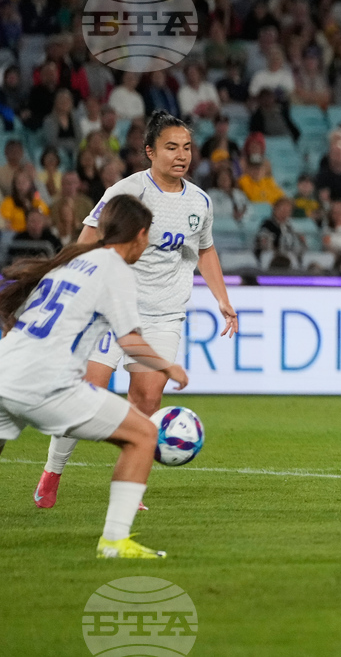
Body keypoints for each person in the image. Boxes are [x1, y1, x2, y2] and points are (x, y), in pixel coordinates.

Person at [33, 111, 238, 510]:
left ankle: (129, 485)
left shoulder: (200, 201)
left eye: (187, 148)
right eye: (171, 147)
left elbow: (206, 249)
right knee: (86, 393)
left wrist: (222, 298)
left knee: (146, 398)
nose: (182, 156)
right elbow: (89, 235)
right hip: (111, 308)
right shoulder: (125, 193)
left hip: (163, 314)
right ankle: (53, 471)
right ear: (149, 151)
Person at [0, 195, 188, 557]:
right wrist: (168, 367)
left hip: (5, 370)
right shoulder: (114, 268)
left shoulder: (69, 262)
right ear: (140, 235)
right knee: (144, 435)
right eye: (146, 238)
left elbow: (16, 322)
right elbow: (129, 339)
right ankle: (115, 541)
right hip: (47, 384)